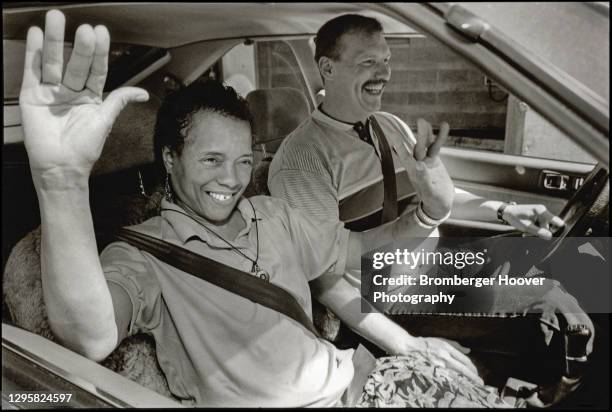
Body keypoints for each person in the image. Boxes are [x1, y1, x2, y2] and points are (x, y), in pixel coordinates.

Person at [21, 9, 512, 407]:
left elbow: (358, 249)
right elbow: (90, 337)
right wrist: (61, 183)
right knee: (555, 286)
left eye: (241, 160)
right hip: (393, 294)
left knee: (557, 286)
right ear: (170, 159)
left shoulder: (278, 208)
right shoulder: (146, 253)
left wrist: (441, 211)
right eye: (212, 160)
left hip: (365, 365)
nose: (233, 179)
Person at [267, 13, 594, 372]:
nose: (384, 73)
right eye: (369, 62)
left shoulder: (388, 125)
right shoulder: (302, 160)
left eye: (386, 60)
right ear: (328, 68)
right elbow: (324, 282)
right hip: (390, 299)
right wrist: (407, 344)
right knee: (552, 303)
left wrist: (504, 210)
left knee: (578, 265)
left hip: (436, 266)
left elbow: (435, 197)